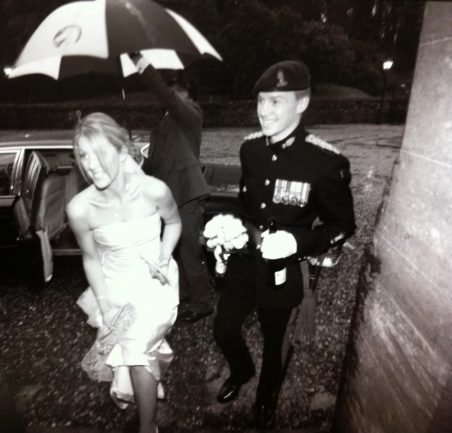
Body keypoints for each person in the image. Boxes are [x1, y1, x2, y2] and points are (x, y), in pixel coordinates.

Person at [213, 61, 356, 428]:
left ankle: (265, 399)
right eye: (261, 101)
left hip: (284, 268)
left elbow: (343, 225)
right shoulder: (250, 150)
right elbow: (246, 203)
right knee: (224, 329)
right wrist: (229, 227)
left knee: (275, 343)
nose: (264, 111)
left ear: (302, 103)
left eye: (275, 101)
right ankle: (241, 371)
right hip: (246, 257)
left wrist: (296, 242)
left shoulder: (325, 162)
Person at [66, 112, 181, 433]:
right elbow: (91, 259)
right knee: (135, 354)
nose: (90, 165)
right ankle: (148, 416)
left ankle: (147, 427)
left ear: (121, 151)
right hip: (114, 288)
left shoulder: (154, 190)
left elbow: (174, 223)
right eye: (83, 155)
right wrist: (105, 307)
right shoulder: (79, 209)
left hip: (155, 285)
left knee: (138, 349)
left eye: (98, 153)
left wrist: (164, 256)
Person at [129, 52, 213, 323]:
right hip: (168, 197)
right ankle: (185, 295)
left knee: (190, 250)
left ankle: (202, 302)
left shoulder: (192, 114)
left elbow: (166, 97)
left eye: (181, 89)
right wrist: (138, 159)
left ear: (190, 95)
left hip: (186, 193)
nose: (175, 92)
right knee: (177, 250)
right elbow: (154, 166)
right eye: (173, 88)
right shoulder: (162, 125)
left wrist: (140, 62)